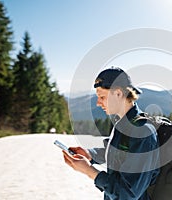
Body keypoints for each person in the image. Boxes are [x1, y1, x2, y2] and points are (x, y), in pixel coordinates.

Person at [62, 67, 160, 200]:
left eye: (102, 97)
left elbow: (128, 194)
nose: (98, 103)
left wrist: (90, 171)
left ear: (119, 93)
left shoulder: (142, 131)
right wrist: (90, 155)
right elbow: (119, 153)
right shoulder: (124, 124)